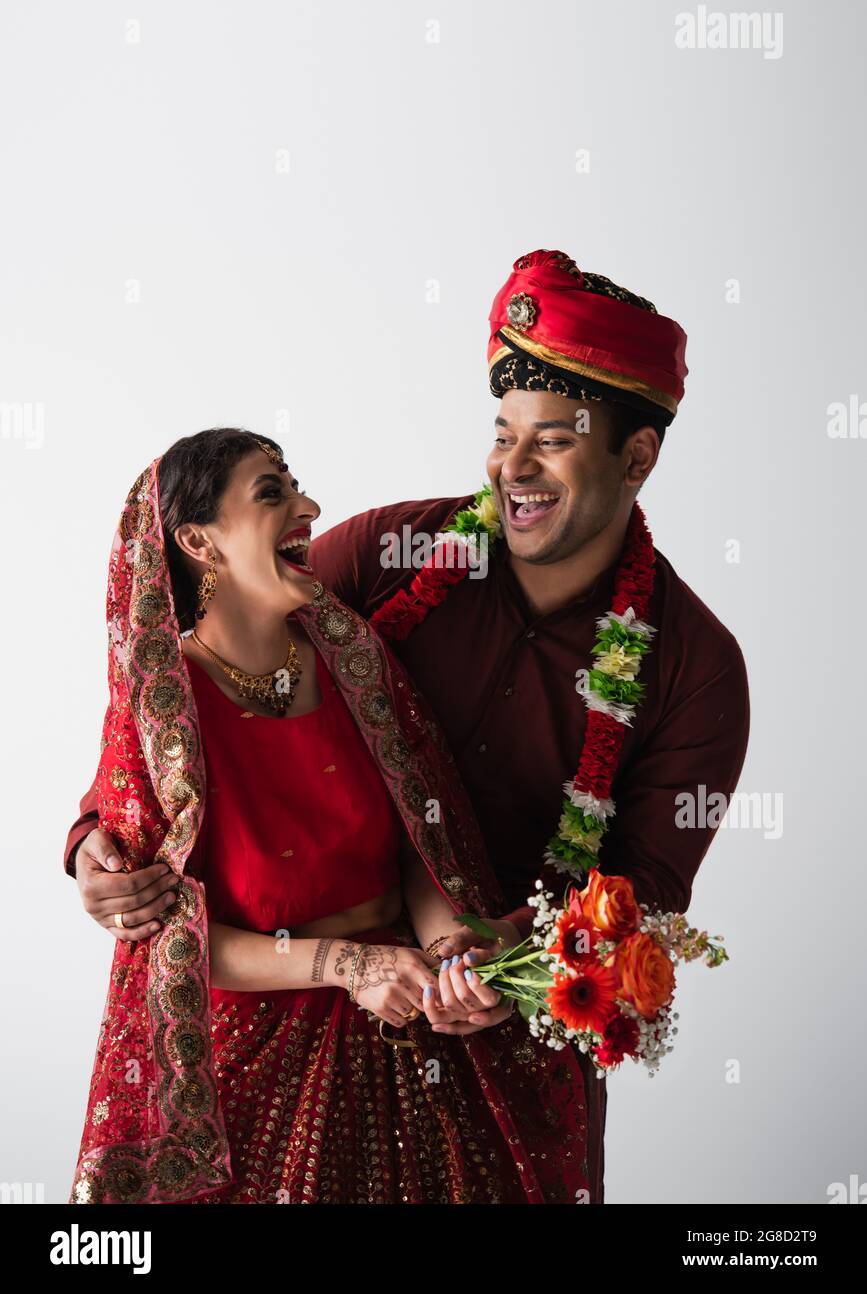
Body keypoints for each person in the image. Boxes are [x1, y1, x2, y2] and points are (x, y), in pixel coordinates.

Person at [65, 250, 750, 1204]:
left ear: (635, 457)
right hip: (292, 1016)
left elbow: (643, 895)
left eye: (550, 441)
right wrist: (99, 841)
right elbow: (200, 697)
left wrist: (489, 957)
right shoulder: (390, 557)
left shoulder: (694, 665)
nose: (510, 467)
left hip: (517, 1030)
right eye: (502, 431)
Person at [69, 429, 594, 1205]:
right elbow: (167, 940)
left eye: (297, 486)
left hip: (409, 1032)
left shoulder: (353, 656)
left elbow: (416, 848)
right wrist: (344, 966)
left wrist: (451, 949)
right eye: (272, 493)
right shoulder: (161, 707)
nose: (309, 508)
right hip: (255, 1063)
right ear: (197, 541)